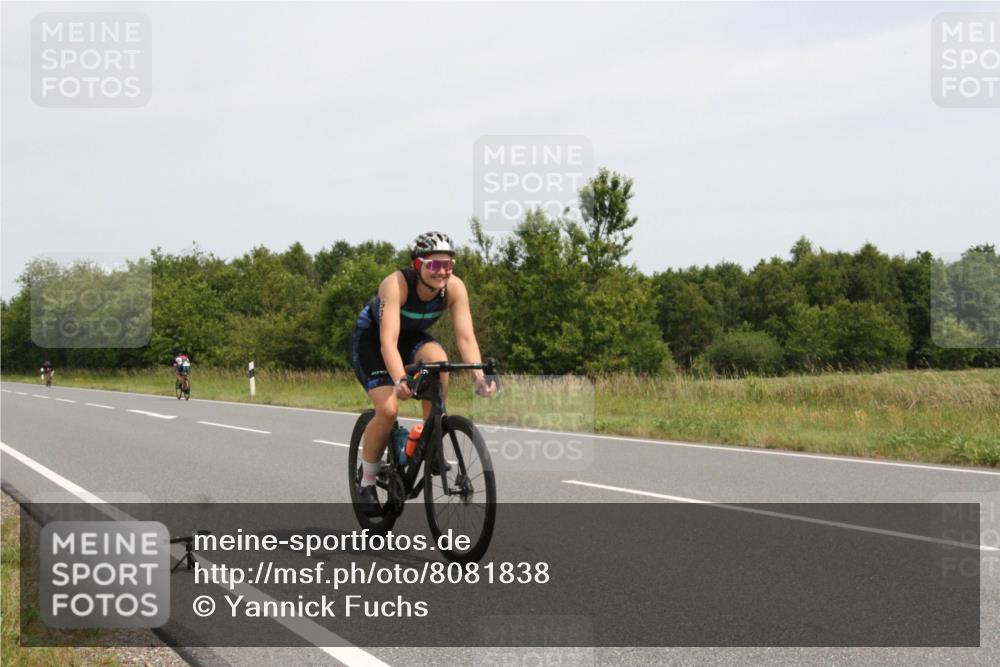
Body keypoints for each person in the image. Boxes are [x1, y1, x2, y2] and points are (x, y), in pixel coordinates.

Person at [350, 231, 495, 516]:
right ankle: (367, 480)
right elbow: (387, 342)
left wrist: (479, 377)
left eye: (448, 265)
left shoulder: (454, 288)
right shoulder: (396, 284)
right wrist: (400, 380)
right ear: (418, 265)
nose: (443, 272)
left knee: (439, 361)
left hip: (412, 340)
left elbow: (465, 338)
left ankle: (429, 442)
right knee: (389, 409)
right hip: (373, 342)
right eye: (435, 265)